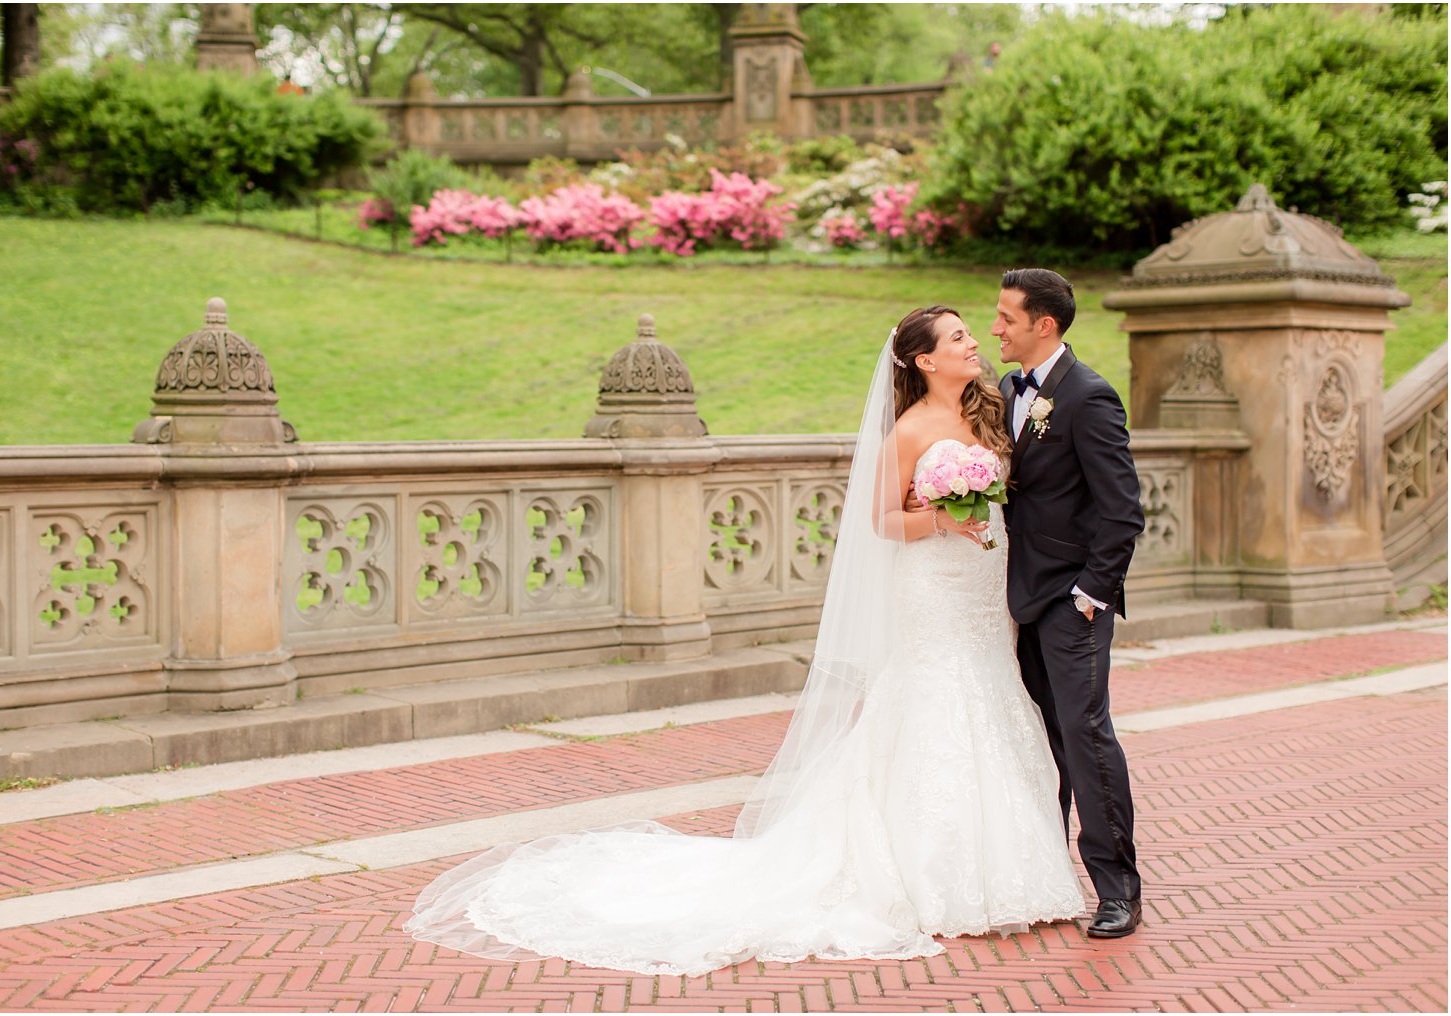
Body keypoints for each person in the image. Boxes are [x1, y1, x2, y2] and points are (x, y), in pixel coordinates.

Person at [404, 306, 1085, 975]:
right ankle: (938, 877)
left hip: (984, 590)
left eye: (973, 332)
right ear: (925, 360)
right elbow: (881, 521)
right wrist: (938, 518)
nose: (975, 343)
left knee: (992, 698)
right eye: (960, 337)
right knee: (937, 703)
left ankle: (1012, 868)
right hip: (933, 589)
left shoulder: (990, 410)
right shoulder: (907, 430)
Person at [989, 267, 1145, 938]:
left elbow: (1123, 510)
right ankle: (1045, 876)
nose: (995, 327)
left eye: (1006, 317)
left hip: (1071, 599)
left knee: (1085, 737)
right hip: (1013, 597)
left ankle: (1118, 890)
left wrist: (1091, 593)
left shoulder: (1089, 396)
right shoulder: (1004, 389)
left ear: (1043, 325)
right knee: (1036, 737)